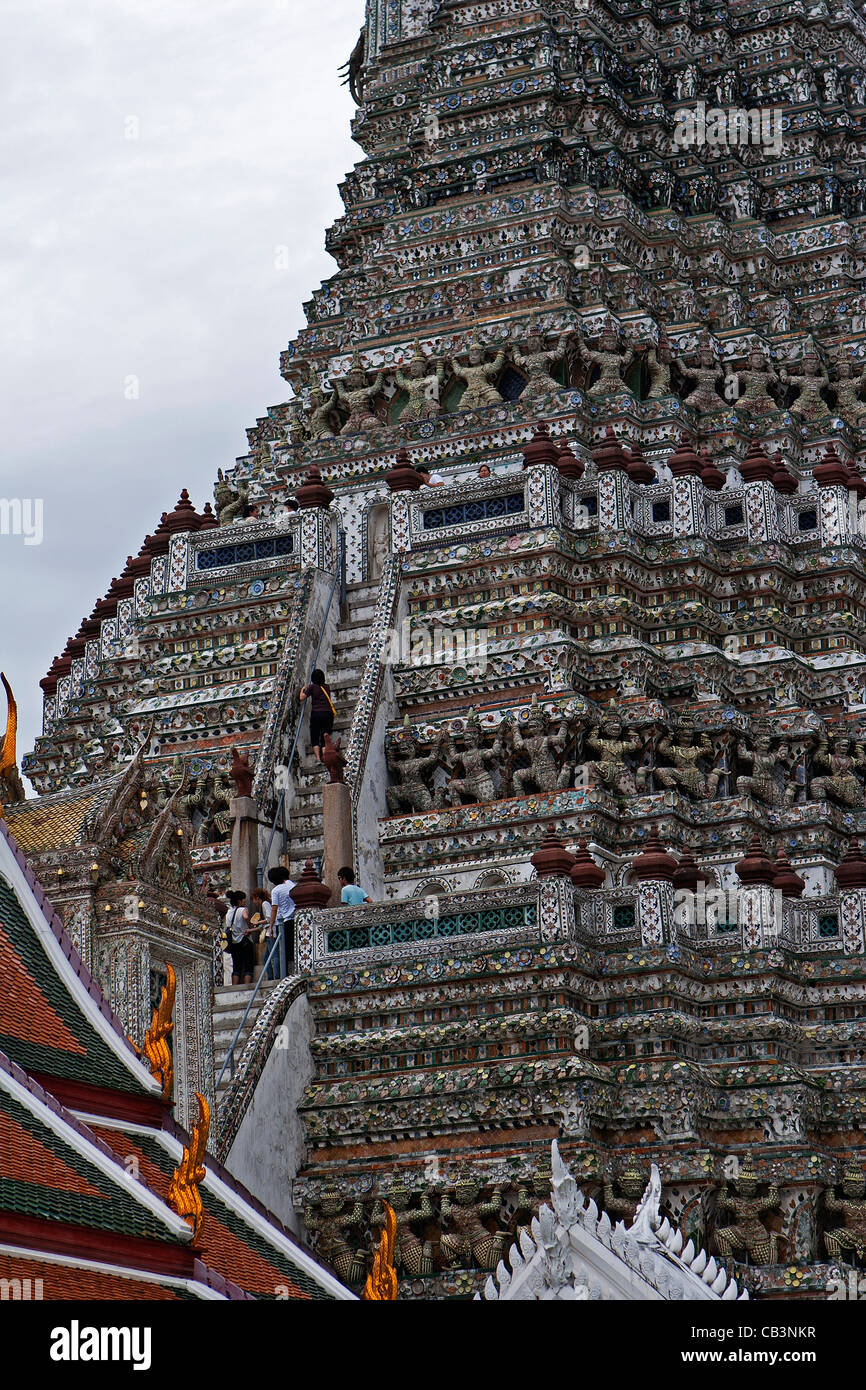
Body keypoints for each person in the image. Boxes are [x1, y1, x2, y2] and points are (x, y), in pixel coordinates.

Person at [299, 668, 336, 763]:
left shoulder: (311, 687)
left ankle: (318, 759)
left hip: (317, 714)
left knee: (315, 736)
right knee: (325, 736)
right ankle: (325, 757)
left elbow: (301, 697)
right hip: (328, 714)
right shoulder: (327, 687)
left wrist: (303, 689)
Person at [268, 866, 297, 975]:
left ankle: (286, 975)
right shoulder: (294, 886)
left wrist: (271, 927)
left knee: (285, 951)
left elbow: (274, 909)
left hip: (285, 923)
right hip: (296, 920)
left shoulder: (276, 890)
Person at [225, 890, 256, 985]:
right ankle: (247, 986)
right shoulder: (243, 909)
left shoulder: (229, 912)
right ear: (239, 901)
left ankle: (234, 986)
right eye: (244, 900)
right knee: (248, 964)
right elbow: (246, 917)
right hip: (244, 939)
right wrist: (250, 925)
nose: (245, 902)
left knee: (236, 966)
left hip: (234, 941)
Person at [249, 887, 273, 979]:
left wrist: (258, 922)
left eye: (254, 899)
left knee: (273, 956)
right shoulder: (265, 904)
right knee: (266, 958)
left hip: (270, 932)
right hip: (268, 932)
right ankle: (271, 976)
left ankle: (276, 976)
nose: (254, 902)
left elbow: (269, 919)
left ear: (257, 898)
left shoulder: (265, 904)